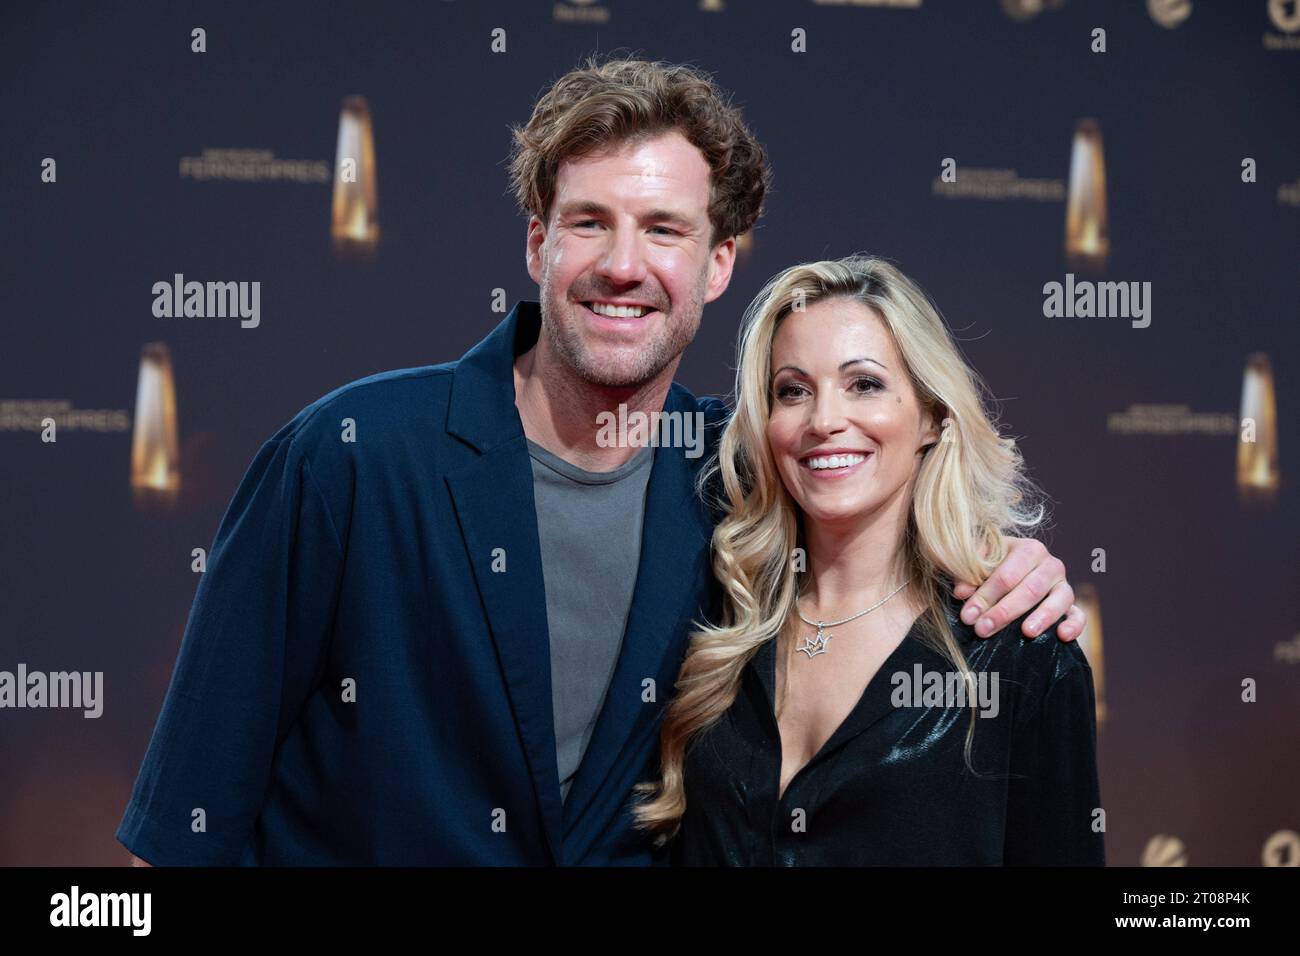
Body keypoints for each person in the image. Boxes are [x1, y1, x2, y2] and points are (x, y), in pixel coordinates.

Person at [117, 57, 1086, 867]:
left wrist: (1010, 569)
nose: (624, 264)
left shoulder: (736, 477)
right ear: (538, 242)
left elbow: (870, 525)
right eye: (589, 222)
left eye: (664, 229)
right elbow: (184, 822)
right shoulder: (351, 455)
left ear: (716, 263)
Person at [634, 256, 1104, 865]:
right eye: (793, 391)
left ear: (933, 416)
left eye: (865, 384)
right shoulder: (718, 616)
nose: (825, 421)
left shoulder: (1020, 649)